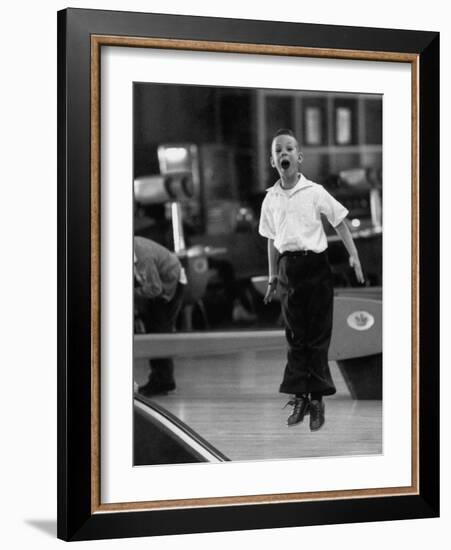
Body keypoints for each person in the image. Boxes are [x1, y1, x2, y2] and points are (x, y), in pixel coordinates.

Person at [259, 129, 364, 431]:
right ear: (272, 161)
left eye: (290, 149)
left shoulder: (315, 191)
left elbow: (340, 221)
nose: (284, 154)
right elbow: (270, 239)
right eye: (279, 150)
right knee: (295, 337)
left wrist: (354, 255)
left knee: (317, 336)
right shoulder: (270, 199)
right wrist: (271, 276)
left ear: (299, 157)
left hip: (316, 267)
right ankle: (299, 396)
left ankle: (317, 399)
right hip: (287, 269)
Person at [134, 236, 186, 396]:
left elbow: (155, 289)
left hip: (170, 285)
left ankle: (163, 381)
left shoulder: (143, 257)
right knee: (154, 331)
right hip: (157, 284)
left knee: (159, 332)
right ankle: (161, 379)